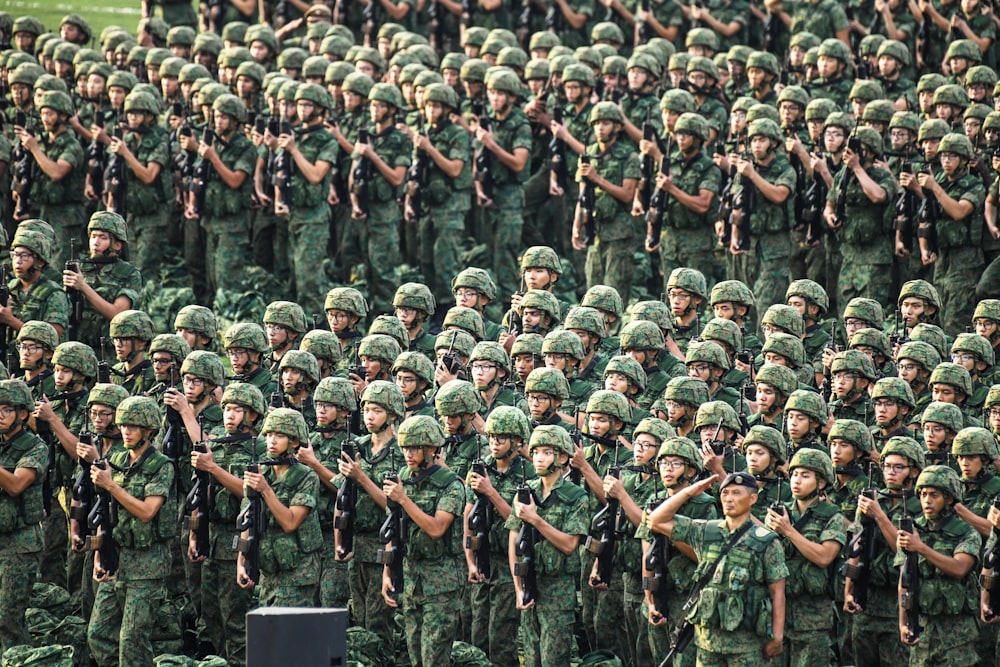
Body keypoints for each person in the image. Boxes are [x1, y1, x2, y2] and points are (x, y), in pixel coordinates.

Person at [648, 469, 787, 665]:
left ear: (753, 499)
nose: (729, 498)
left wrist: (777, 637)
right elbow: (656, 519)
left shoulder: (766, 541)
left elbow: (777, 592)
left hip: (746, 645)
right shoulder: (706, 531)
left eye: (736, 493)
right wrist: (689, 491)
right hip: (708, 643)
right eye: (725, 493)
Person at [87, 395, 175, 667]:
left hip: (147, 564)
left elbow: (148, 511)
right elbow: (103, 510)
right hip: (116, 558)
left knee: (132, 640)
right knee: (98, 634)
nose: (126, 431)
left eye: (134, 426)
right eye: (123, 425)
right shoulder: (114, 459)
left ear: (148, 431)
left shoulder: (161, 466)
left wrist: (112, 486)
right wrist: (99, 553)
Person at [188, 382, 265, 666]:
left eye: (237, 410)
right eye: (226, 409)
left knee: (236, 617)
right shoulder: (217, 444)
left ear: (253, 415)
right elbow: (199, 492)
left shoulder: (258, 449)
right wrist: (194, 534)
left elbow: (250, 491)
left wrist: (213, 468)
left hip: (240, 538)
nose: (229, 415)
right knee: (210, 613)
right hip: (214, 537)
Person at [380, 415, 465, 667]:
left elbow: (437, 528)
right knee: (414, 654)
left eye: (415, 447)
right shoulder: (401, 478)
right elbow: (391, 530)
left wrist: (404, 499)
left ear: (432, 449)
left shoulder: (450, 485)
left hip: (441, 582)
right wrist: (387, 571)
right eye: (405, 447)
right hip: (410, 577)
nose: (409, 453)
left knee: (434, 657)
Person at [505, 425, 588, 667]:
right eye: (537, 452)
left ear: (562, 458)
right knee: (531, 658)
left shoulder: (575, 496)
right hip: (529, 581)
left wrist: (535, 519)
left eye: (547, 452)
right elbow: (513, 540)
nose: (539, 458)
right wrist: (518, 586)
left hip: (557, 588)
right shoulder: (526, 491)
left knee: (554, 659)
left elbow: (569, 544)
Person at [236, 407, 322, 607]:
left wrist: (265, 490)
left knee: (289, 633)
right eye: (269, 435)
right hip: (269, 571)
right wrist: (241, 561)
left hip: (299, 572)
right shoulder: (261, 472)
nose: (272, 441)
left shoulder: (306, 476)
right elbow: (246, 520)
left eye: (280, 435)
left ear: (293, 441)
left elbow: (291, 522)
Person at [896, 465, 981, 666]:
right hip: (923, 630)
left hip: (957, 634)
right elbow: (904, 580)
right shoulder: (913, 530)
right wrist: (903, 622)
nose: (927, 500)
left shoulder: (966, 532)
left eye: (934, 495)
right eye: (923, 494)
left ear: (949, 499)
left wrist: (920, 547)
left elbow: (959, 568)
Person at [62, 212, 142, 351]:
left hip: (110, 349)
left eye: (102, 237)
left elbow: (117, 314)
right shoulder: (81, 268)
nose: (95, 242)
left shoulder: (129, 273)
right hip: (78, 344)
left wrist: (83, 287)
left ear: (117, 245)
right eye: (93, 236)